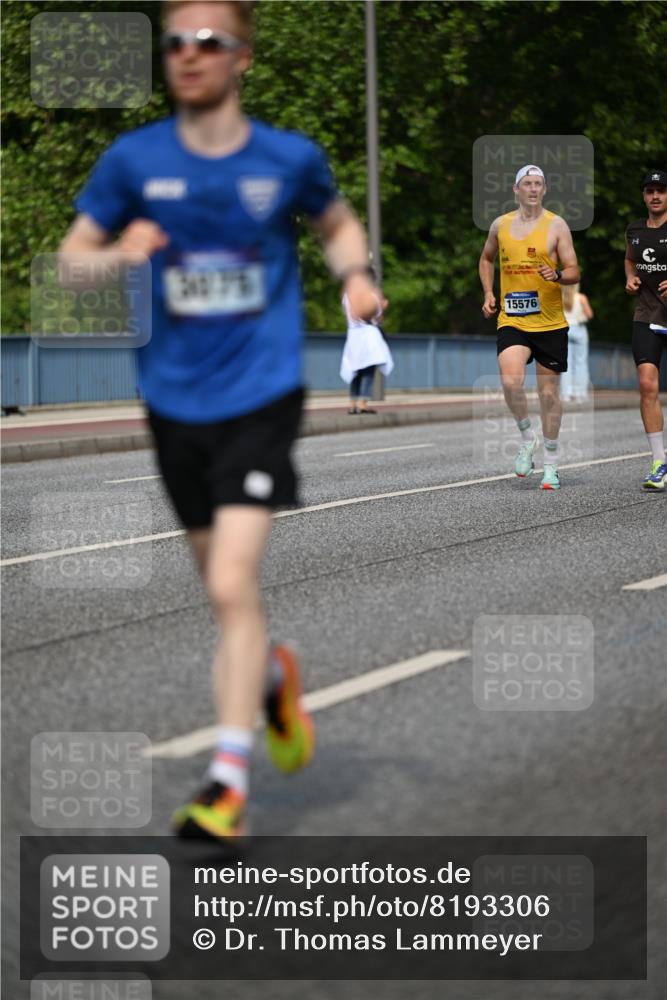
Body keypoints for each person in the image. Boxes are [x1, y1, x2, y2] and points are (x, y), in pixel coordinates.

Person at [59, 0, 385, 841]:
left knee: (235, 585)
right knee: (219, 592)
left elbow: (337, 220)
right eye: (174, 41)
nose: (188, 54)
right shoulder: (134, 160)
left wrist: (355, 276)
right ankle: (272, 676)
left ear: (242, 57)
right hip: (172, 400)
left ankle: (226, 786)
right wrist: (116, 257)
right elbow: (71, 261)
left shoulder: (286, 157)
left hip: (261, 390)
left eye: (208, 42)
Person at [479, 164, 580, 490]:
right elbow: (486, 259)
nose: (533, 188)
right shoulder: (500, 225)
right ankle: (527, 438)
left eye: (539, 184)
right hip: (513, 318)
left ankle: (551, 465)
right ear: (516, 190)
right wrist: (489, 292)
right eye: (528, 183)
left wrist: (559, 276)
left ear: (544, 190)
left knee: (548, 394)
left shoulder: (556, 225)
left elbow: (574, 269)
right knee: (510, 380)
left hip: (550, 323)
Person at [625, 169, 667, 491]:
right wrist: (631, 277)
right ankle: (658, 462)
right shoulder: (634, 230)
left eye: (661, 191)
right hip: (647, 312)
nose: (655, 196)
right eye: (650, 191)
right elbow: (630, 259)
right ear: (643, 196)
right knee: (646, 382)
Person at [340, 279, 393, 413]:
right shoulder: (370, 296)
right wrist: (383, 306)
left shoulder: (347, 296)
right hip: (368, 335)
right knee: (368, 369)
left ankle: (352, 403)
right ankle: (363, 403)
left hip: (353, 335)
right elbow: (376, 317)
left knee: (354, 369)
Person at [560, 283, 593, 403]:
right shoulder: (581, 298)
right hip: (579, 329)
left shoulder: (560, 297)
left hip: (565, 329)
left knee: (566, 364)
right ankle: (580, 394)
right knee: (581, 362)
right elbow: (589, 315)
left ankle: (566, 394)